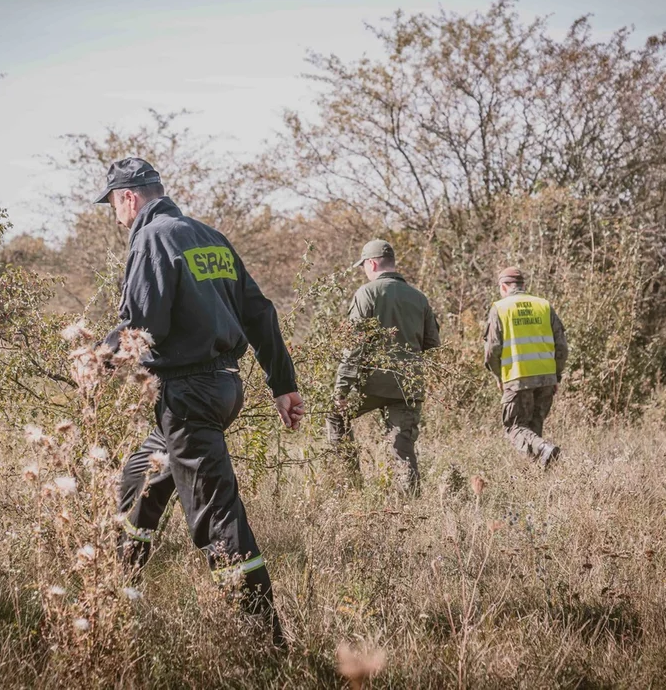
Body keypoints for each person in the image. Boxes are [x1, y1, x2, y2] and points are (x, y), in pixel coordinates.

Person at [95, 157, 304, 646]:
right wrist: (282, 384)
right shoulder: (208, 236)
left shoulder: (151, 237)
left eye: (112, 205)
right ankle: (114, 594)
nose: (115, 216)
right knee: (139, 481)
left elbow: (144, 327)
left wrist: (95, 360)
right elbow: (258, 312)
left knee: (216, 517)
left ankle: (264, 642)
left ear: (128, 197)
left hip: (187, 395)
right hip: (220, 388)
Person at [326, 239, 440, 494]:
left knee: (336, 416)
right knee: (403, 449)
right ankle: (409, 505)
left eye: (364, 266)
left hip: (372, 384)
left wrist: (341, 390)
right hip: (408, 384)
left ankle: (350, 486)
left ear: (372, 263)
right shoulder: (419, 298)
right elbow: (433, 345)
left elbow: (354, 345)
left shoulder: (367, 293)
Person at [483, 266, 568, 468]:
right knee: (532, 429)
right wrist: (556, 375)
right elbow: (562, 346)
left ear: (503, 286)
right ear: (523, 285)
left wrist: (499, 377)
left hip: (518, 378)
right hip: (546, 378)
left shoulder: (501, 308)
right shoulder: (544, 306)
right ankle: (537, 476)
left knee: (514, 427)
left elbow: (493, 350)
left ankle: (546, 448)